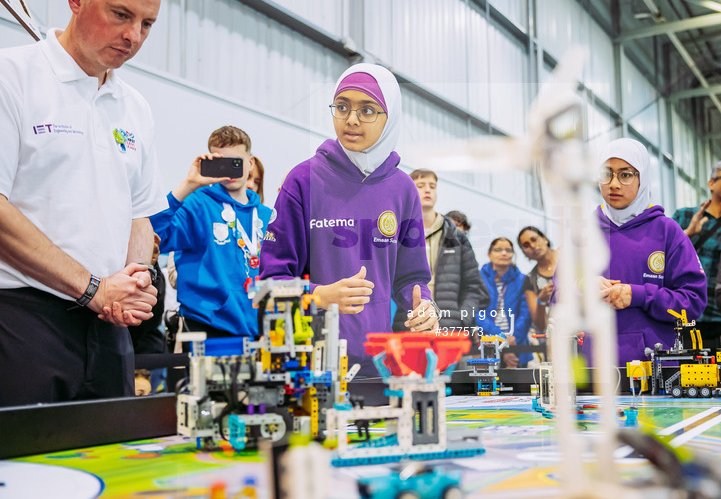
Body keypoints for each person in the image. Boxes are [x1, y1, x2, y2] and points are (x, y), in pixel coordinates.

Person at [0, 0, 165, 406]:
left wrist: (132, 283)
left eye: (147, 23)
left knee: (112, 467)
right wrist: (92, 287)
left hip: (110, 329)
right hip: (24, 321)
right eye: (121, 14)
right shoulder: (11, 78)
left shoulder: (135, 108)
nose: (134, 35)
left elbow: (138, 214)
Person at [259, 63, 438, 373]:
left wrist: (424, 308)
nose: (352, 120)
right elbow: (271, 282)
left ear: (390, 117)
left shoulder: (402, 189)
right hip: (308, 364)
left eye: (367, 110)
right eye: (342, 107)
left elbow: (412, 278)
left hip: (378, 364)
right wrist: (318, 296)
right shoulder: (304, 180)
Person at [151, 126, 272, 338]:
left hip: (257, 328)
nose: (229, 170)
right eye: (220, 162)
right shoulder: (198, 203)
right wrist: (189, 184)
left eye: (236, 162)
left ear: (250, 163)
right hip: (206, 326)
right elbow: (154, 237)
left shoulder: (266, 215)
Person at [596, 138, 708, 363]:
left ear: (642, 178)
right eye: (606, 173)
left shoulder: (666, 231)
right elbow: (558, 297)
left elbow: (693, 302)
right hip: (593, 372)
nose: (613, 184)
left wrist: (638, 295)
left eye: (625, 175)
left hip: (653, 370)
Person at [392, 170, 487, 335]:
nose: (427, 190)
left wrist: (460, 318)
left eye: (432, 186)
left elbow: (474, 287)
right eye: (420, 186)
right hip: (408, 326)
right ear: (409, 191)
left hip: (449, 328)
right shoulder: (396, 234)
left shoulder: (457, 238)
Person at [672, 158, 721, 348]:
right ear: (711, 183)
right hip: (685, 315)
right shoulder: (684, 216)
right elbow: (661, 257)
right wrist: (688, 233)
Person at [477, 238, 532, 368]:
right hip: (487, 343)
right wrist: (500, 336)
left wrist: (512, 340)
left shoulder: (523, 279)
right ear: (489, 254)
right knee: (486, 386)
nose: (504, 253)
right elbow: (475, 312)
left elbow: (526, 314)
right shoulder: (477, 278)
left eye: (508, 250)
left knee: (519, 386)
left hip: (517, 343)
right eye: (498, 249)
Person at [517, 226, 556, 334]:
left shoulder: (568, 256)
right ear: (524, 253)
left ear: (545, 239)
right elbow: (540, 326)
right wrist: (541, 300)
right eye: (526, 245)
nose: (533, 246)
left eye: (534, 239)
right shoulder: (530, 280)